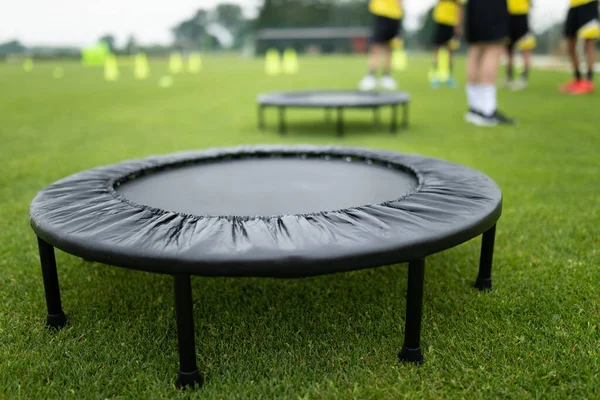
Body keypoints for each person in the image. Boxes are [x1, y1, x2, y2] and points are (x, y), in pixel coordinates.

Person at [463, 0, 517, 126]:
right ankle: (487, 110)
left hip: (474, 5)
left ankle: (475, 108)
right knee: (493, 48)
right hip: (491, 4)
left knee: (476, 50)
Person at [358, 0, 403, 91]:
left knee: (389, 47)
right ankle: (371, 76)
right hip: (380, 12)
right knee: (376, 46)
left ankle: (386, 77)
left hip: (395, 14)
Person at [559, 0, 599, 95]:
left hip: (589, 4)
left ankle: (588, 81)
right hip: (574, 5)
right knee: (570, 46)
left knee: (588, 43)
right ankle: (578, 80)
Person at [430, 0, 466, 88]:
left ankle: (449, 76)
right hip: (440, 21)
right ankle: (435, 76)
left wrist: (459, 25)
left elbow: (460, 8)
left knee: (451, 50)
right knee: (436, 49)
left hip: (452, 23)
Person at [505, 0, 536, 90]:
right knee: (508, 49)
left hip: (522, 14)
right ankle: (509, 78)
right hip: (507, 14)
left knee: (525, 48)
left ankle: (523, 79)